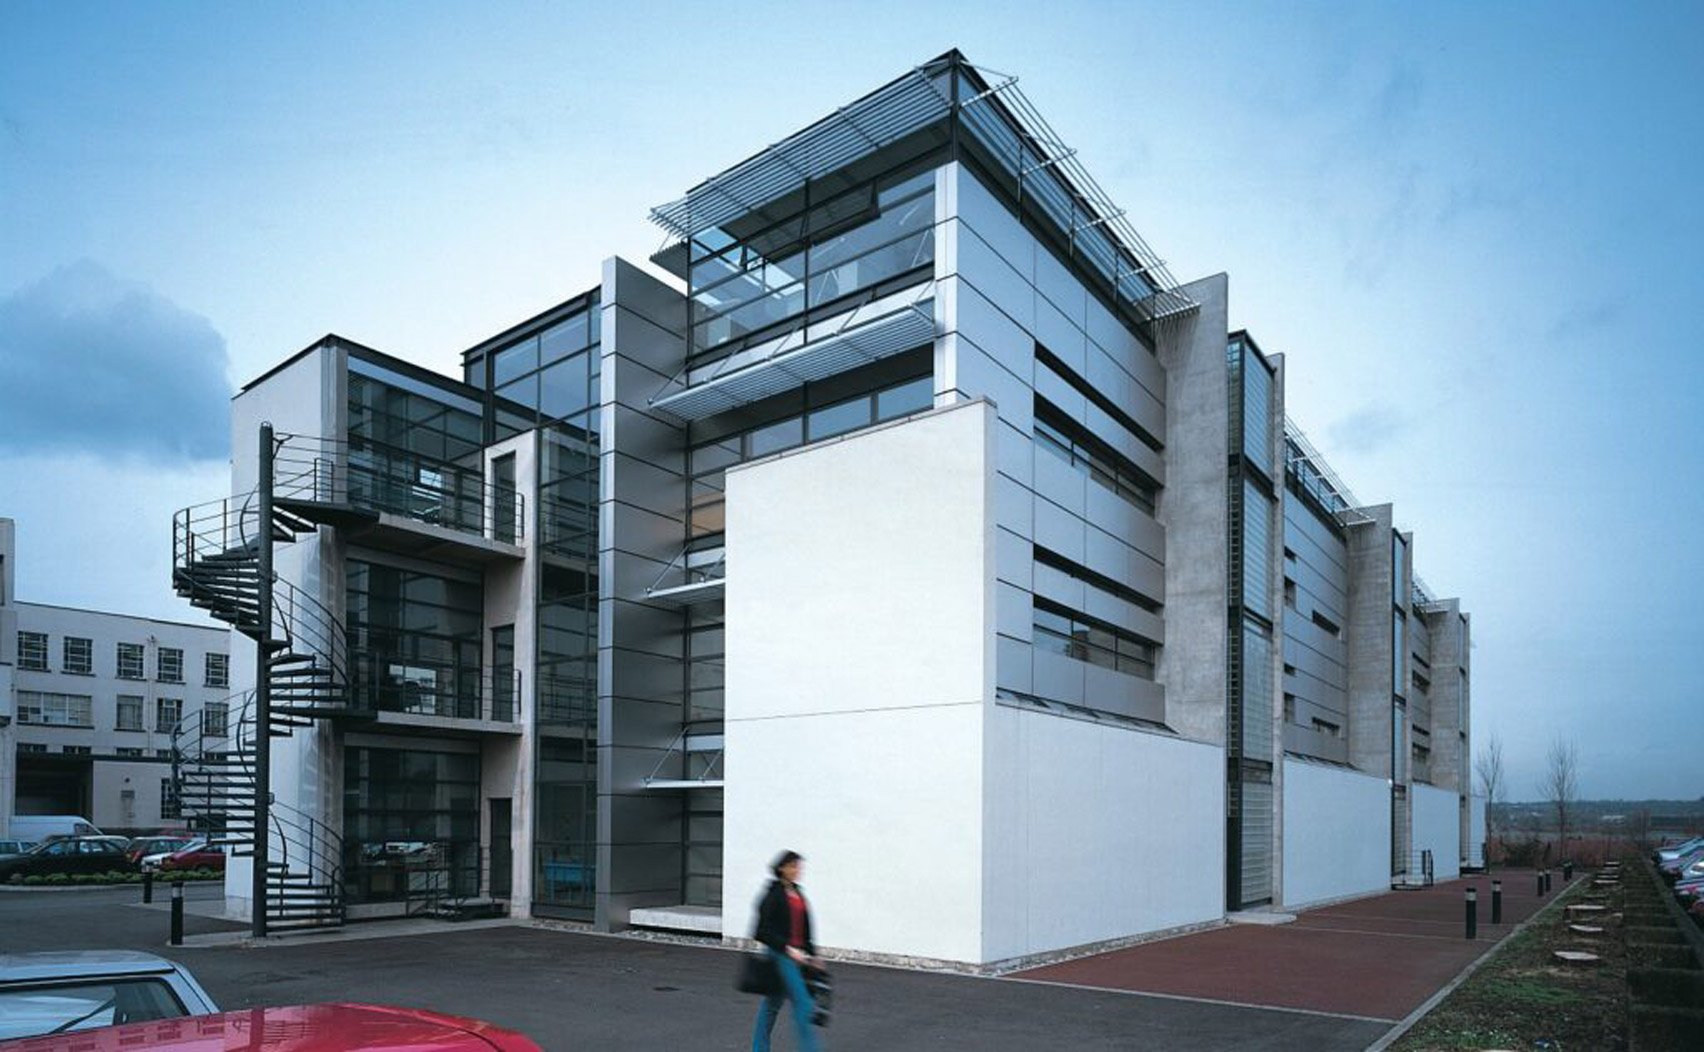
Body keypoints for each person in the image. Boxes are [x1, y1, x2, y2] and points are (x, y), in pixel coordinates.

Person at [751, 849, 821, 1052]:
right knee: (804, 1004)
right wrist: (787, 949)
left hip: (797, 957)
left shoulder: (798, 893)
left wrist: (813, 954)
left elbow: (805, 928)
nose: (798, 870)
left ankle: (758, 1049)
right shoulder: (773, 894)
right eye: (793, 866)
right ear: (782, 868)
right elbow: (761, 931)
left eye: (799, 866)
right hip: (780, 956)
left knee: (771, 1006)